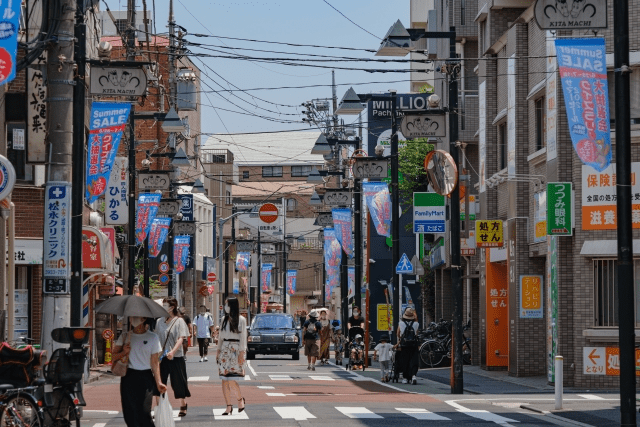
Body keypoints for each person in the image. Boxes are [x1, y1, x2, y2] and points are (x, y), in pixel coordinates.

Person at [112, 316, 167, 427]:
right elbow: (113, 357)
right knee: (129, 413)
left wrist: (159, 382)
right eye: (131, 317)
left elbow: (155, 363)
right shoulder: (125, 336)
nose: (133, 319)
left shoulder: (153, 337)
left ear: (143, 319)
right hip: (129, 376)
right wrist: (124, 352)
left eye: (136, 317)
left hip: (146, 376)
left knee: (145, 412)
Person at [155, 297, 191, 416]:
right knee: (160, 381)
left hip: (176, 356)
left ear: (172, 307)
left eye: (165, 305)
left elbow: (181, 338)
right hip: (161, 357)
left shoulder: (179, 321)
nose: (163, 307)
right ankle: (159, 408)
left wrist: (173, 352)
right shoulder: (159, 321)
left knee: (178, 381)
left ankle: (183, 404)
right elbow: (156, 337)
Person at [216, 297, 246, 415]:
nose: (225, 307)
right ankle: (228, 406)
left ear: (232, 305)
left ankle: (240, 400)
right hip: (224, 349)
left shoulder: (242, 320)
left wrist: (241, 354)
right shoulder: (224, 319)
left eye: (227, 304)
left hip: (236, 349)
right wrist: (218, 351)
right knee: (224, 380)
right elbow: (220, 337)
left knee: (232, 379)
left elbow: (243, 337)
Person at [396, 307, 419, 385]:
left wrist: (401, 338)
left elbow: (398, 334)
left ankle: (405, 378)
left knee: (405, 360)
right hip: (414, 344)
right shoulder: (416, 323)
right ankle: (413, 376)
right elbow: (417, 334)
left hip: (404, 344)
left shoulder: (401, 323)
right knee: (414, 360)